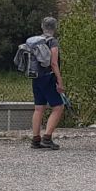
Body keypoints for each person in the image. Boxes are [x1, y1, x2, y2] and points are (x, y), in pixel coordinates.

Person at [27, 17, 65, 150]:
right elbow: (53, 63)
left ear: (42, 27)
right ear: (55, 27)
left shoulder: (36, 41)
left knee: (39, 108)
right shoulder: (52, 42)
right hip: (48, 77)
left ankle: (35, 139)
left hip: (36, 77)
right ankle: (47, 138)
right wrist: (60, 81)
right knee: (58, 107)